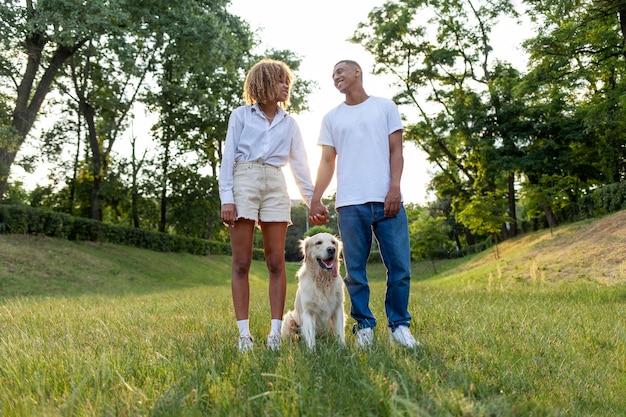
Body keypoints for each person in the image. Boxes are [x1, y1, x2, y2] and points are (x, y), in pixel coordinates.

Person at [309, 60, 419, 349]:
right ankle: (364, 325)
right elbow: (326, 161)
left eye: (340, 71)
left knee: (399, 267)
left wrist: (394, 188)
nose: (336, 77)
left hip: (387, 201)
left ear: (357, 72)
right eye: (332, 75)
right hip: (349, 203)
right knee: (354, 270)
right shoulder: (331, 118)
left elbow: (397, 151)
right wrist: (315, 197)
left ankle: (400, 326)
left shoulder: (385, 107)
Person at [219, 58, 314, 353]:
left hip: (275, 182)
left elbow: (300, 165)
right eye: (280, 80)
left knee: (276, 261)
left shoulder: (290, 123)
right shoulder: (241, 116)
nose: (286, 86)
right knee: (241, 262)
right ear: (263, 83)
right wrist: (227, 199)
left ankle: (275, 333)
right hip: (244, 178)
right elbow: (228, 158)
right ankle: (243, 334)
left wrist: (313, 202)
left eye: (287, 81)